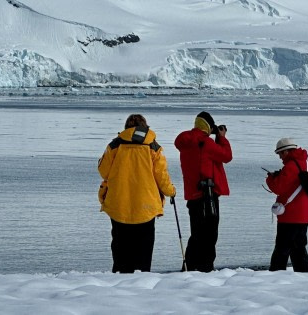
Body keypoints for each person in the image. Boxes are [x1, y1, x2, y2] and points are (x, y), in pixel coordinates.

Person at [97, 114, 177, 273]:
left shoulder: (114, 146)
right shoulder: (153, 147)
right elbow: (161, 176)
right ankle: (141, 283)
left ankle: (120, 278)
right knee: (144, 249)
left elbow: (103, 171)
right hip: (146, 207)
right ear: (144, 127)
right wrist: (171, 191)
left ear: (126, 127)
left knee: (120, 248)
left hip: (119, 205)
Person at [174, 111, 232, 272]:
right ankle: (205, 269)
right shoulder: (206, 143)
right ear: (207, 127)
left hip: (193, 195)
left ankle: (190, 268)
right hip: (208, 195)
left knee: (196, 234)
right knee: (209, 234)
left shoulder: (186, 143)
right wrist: (222, 138)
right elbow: (226, 156)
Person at [265, 137, 308, 272]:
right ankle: (304, 276)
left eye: (280, 154)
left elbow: (278, 188)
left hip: (290, 216)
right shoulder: (307, 164)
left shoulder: (291, 166)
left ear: (286, 151)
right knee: (299, 249)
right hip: (304, 215)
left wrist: (270, 179)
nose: (280, 157)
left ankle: (275, 278)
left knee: (281, 250)